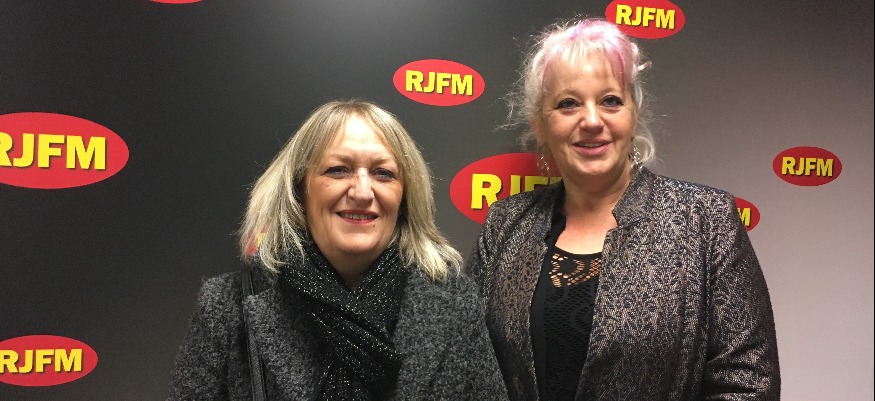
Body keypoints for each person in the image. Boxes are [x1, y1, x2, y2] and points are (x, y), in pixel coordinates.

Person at [464, 18, 780, 401]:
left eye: (610, 101)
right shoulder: (505, 224)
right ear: (539, 125)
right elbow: (466, 363)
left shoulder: (706, 220)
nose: (591, 121)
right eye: (568, 104)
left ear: (634, 115)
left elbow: (748, 383)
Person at [168, 100, 509, 401]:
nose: (362, 191)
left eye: (383, 173)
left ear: (405, 196)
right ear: (299, 190)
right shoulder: (226, 308)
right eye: (338, 170)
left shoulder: (456, 304)